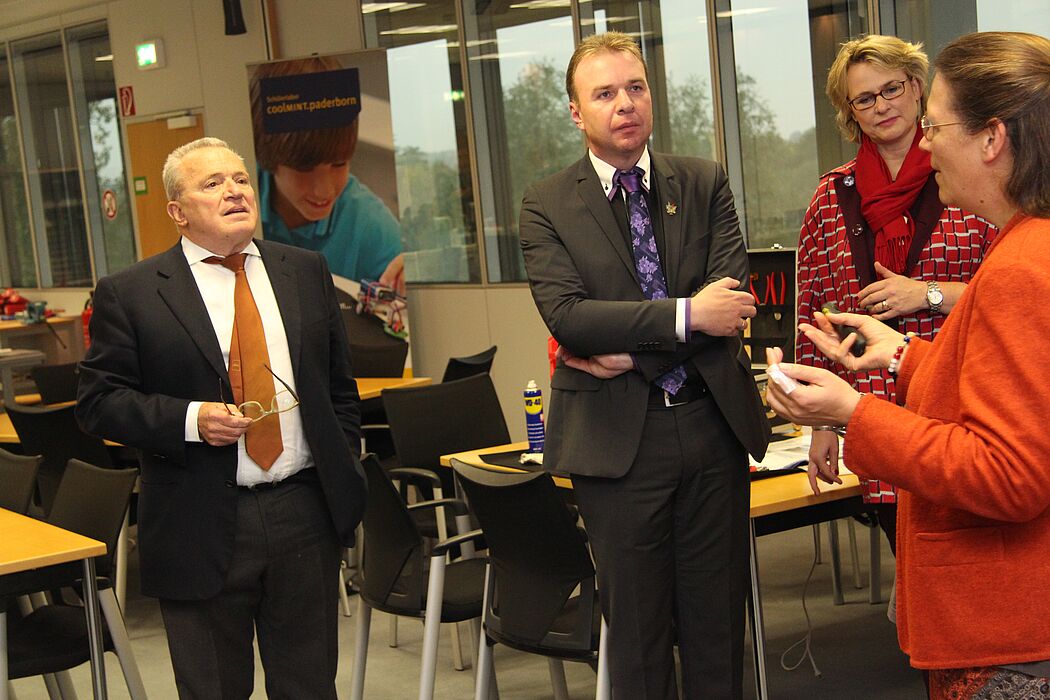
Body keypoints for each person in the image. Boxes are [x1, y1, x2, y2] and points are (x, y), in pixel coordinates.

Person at [766, 31, 1050, 699]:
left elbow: (1009, 474)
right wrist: (899, 355)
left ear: (993, 139)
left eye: (937, 126)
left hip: (1007, 634)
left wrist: (852, 412)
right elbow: (997, 385)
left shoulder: (1016, 268)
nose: (923, 144)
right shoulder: (1028, 244)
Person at [519, 31, 769, 699]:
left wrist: (628, 347)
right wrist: (689, 318)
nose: (624, 104)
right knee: (636, 640)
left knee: (718, 631)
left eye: (636, 88)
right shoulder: (546, 203)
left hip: (711, 428)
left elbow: (732, 303)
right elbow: (569, 317)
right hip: (618, 446)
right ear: (576, 112)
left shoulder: (704, 180)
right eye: (604, 93)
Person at [76, 137, 366, 698]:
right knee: (213, 688)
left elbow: (338, 390)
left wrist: (342, 466)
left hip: (303, 510)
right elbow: (97, 401)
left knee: (309, 686)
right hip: (198, 516)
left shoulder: (304, 271)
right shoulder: (132, 294)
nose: (233, 190)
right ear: (177, 212)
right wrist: (190, 420)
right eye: (212, 183)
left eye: (238, 178)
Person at [798, 35, 997, 554]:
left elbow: (1007, 292)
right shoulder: (831, 196)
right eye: (865, 98)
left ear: (916, 88)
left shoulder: (968, 178)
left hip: (960, 407)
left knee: (971, 566)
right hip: (873, 413)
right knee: (911, 571)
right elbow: (813, 310)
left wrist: (925, 294)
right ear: (850, 112)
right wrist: (820, 424)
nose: (882, 105)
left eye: (892, 89)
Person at [249, 56, 405, 295]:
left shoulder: (373, 228)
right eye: (304, 167)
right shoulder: (237, 197)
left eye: (339, 164)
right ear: (267, 157)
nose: (324, 191)